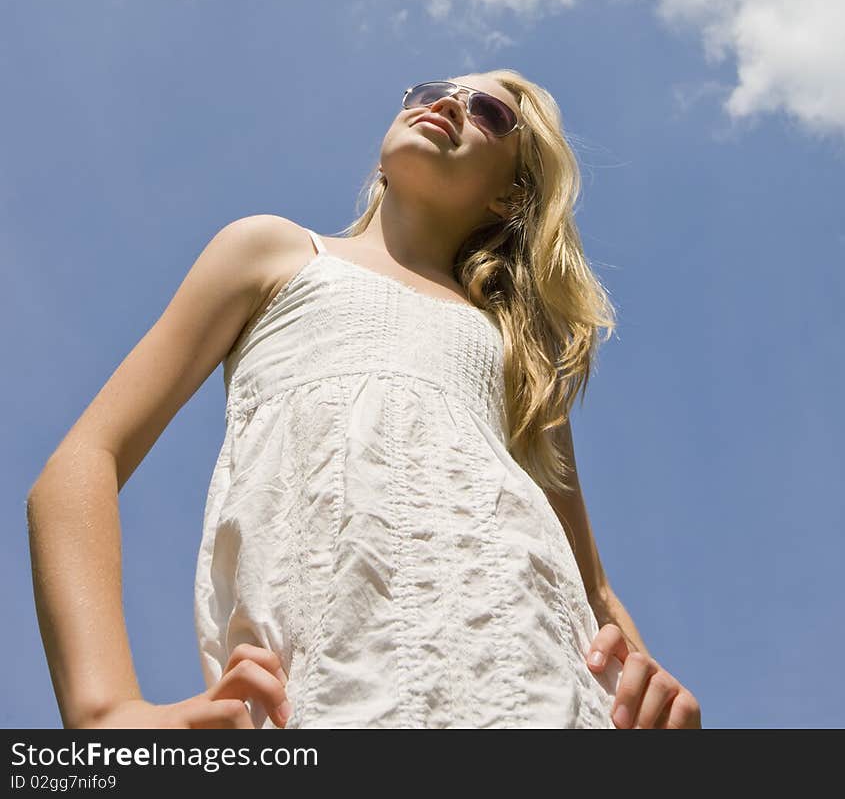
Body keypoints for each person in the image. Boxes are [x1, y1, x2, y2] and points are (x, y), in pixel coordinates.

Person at [27, 70, 701, 729]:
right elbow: (85, 460)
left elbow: (593, 591)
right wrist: (106, 709)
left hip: (533, 690)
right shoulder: (276, 253)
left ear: (512, 197)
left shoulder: (517, 352)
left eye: (490, 112)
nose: (450, 105)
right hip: (337, 689)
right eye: (432, 90)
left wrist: (652, 692)